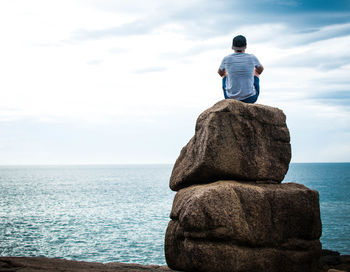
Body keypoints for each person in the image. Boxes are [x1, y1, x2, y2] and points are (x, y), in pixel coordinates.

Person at [218, 35, 264, 103]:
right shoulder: (252, 57)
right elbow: (260, 70)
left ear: (232, 47)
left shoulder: (226, 59)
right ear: (245, 46)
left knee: (224, 74)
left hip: (230, 98)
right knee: (256, 72)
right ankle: (249, 91)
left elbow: (220, 73)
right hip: (250, 99)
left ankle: (232, 93)